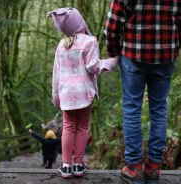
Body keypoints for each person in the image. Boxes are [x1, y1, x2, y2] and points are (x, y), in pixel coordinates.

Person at [104, 0, 181, 183]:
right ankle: (153, 166)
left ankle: (133, 168)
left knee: (131, 109)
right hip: (165, 55)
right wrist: (173, 45)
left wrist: (114, 51)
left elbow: (113, 24)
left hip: (132, 54)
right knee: (159, 109)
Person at [46, 8, 119, 178]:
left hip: (66, 94)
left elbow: (56, 74)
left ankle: (66, 166)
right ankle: (78, 165)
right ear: (79, 22)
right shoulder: (89, 41)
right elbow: (94, 67)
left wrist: (56, 96)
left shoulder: (61, 45)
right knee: (82, 128)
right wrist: (114, 62)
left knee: (68, 128)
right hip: (84, 94)